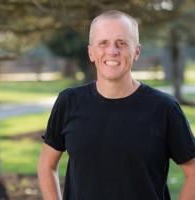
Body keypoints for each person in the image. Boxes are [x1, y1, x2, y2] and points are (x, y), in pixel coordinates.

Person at [37, 10, 195, 200]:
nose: (112, 51)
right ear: (91, 52)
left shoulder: (164, 108)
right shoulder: (69, 102)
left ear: (136, 51)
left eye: (122, 43)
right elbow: (46, 164)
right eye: (103, 43)